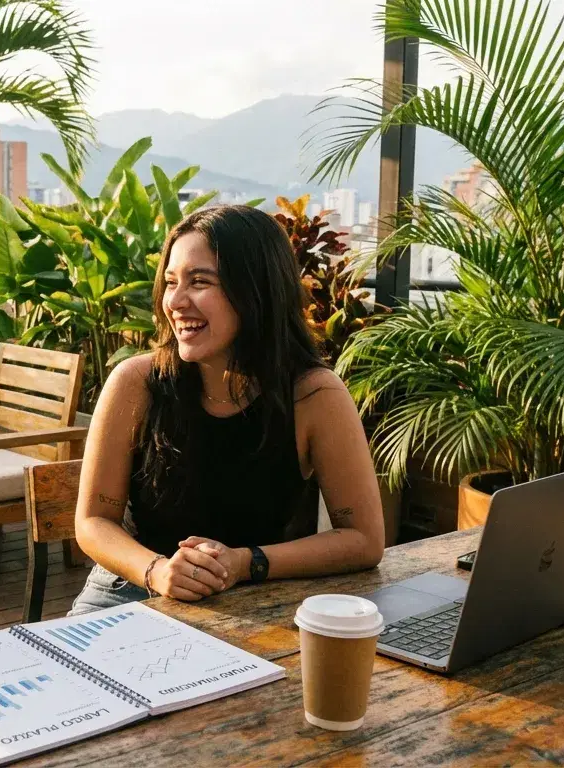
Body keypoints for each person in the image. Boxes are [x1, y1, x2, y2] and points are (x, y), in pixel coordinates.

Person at [68, 204, 385, 615]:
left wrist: (244, 563)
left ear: (255, 290)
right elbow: (93, 522)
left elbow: (363, 539)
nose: (175, 301)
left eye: (199, 281)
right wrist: (158, 571)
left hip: (253, 598)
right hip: (129, 588)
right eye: (170, 282)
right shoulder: (136, 383)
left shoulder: (313, 396)